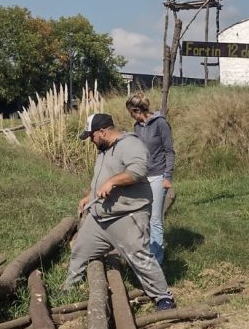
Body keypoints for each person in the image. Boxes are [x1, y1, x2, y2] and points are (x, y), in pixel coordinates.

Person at [62, 113, 176, 310]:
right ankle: (67, 290)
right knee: (80, 251)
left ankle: (163, 297)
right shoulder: (105, 149)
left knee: (140, 257)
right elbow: (102, 176)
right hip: (100, 218)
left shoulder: (130, 145)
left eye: (92, 136)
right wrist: (90, 195)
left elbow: (139, 170)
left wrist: (112, 182)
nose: (91, 140)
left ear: (103, 132)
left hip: (126, 216)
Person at [125, 92, 176, 266]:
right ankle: (145, 255)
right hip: (142, 177)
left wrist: (167, 176)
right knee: (142, 217)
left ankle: (157, 263)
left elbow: (169, 151)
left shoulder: (160, 124)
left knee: (155, 219)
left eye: (131, 112)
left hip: (158, 175)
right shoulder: (137, 127)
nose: (131, 116)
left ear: (137, 110)